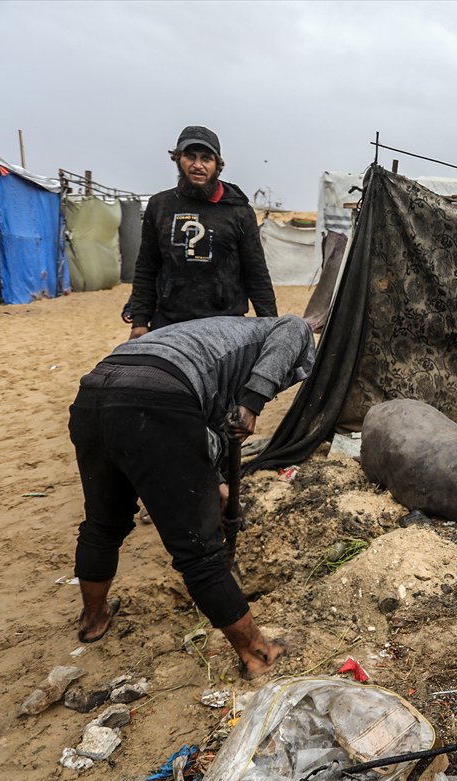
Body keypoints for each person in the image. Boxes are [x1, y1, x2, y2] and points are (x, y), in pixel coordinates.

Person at [70, 315, 315, 678]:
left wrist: (213, 481)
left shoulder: (211, 340)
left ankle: (93, 619)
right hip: (154, 399)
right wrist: (252, 404)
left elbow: (198, 425)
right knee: (198, 549)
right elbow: (296, 327)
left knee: (103, 524)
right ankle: (257, 653)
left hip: (94, 395)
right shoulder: (276, 330)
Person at [127, 125, 277, 338]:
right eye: (190, 156)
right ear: (179, 159)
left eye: (206, 158)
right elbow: (147, 266)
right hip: (168, 321)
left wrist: (270, 324)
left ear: (218, 165)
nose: (198, 165)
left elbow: (256, 273)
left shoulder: (239, 211)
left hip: (225, 323)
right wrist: (140, 321)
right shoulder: (160, 206)